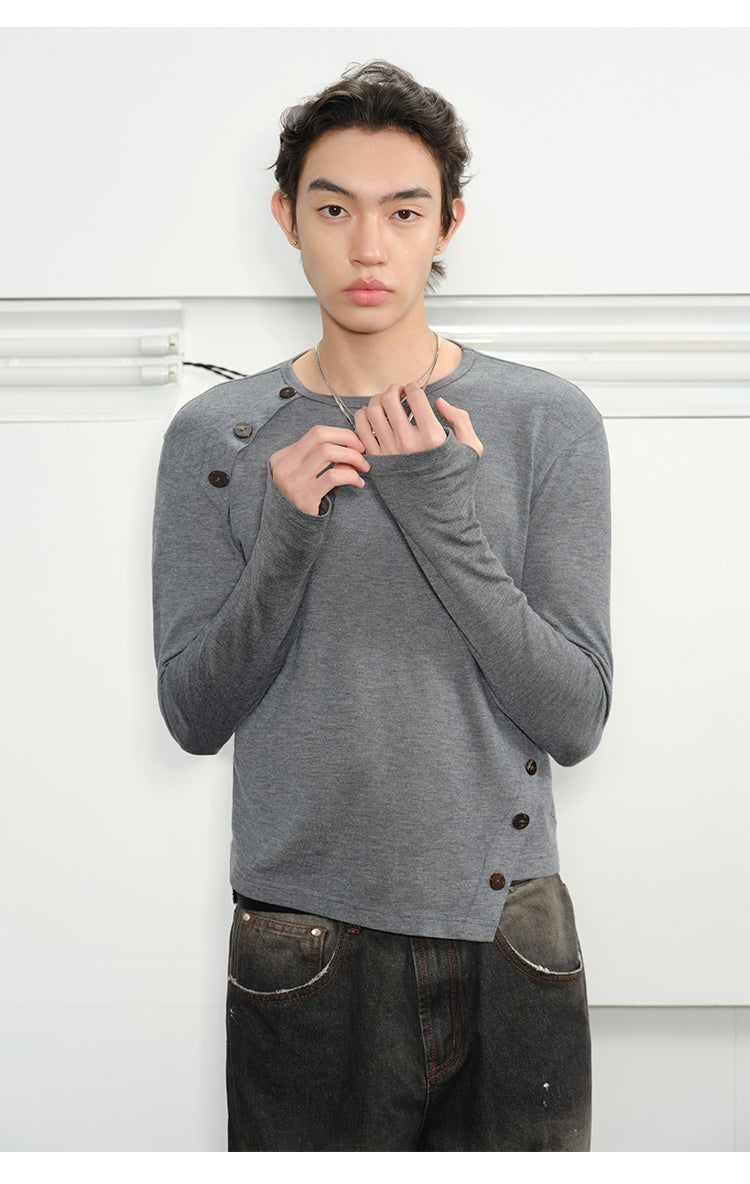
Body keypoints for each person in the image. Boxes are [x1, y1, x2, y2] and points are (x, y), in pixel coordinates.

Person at [152, 60, 613, 1152]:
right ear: (287, 218)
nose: (368, 247)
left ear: (448, 223)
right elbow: (193, 713)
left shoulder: (545, 420)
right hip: (302, 938)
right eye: (334, 209)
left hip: (510, 928)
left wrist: (439, 513)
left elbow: (577, 716)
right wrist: (286, 538)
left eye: (403, 212)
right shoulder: (217, 436)